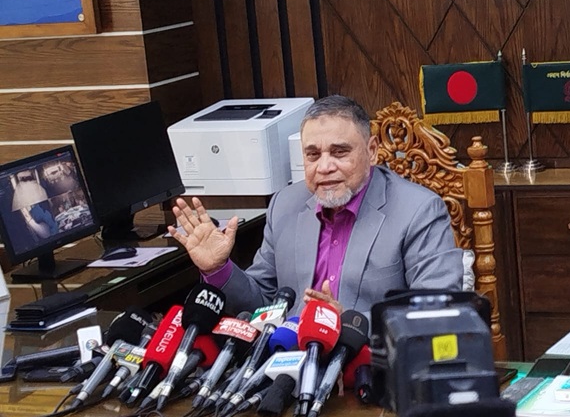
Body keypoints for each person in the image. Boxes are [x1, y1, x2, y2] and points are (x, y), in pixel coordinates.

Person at [169, 95, 464, 319]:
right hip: (288, 361)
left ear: (372, 151)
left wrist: (348, 324)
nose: (324, 167)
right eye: (312, 155)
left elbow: (436, 312)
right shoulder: (284, 205)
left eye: (339, 152)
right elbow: (261, 306)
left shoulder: (418, 211)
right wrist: (218, 269)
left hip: (372, 366)